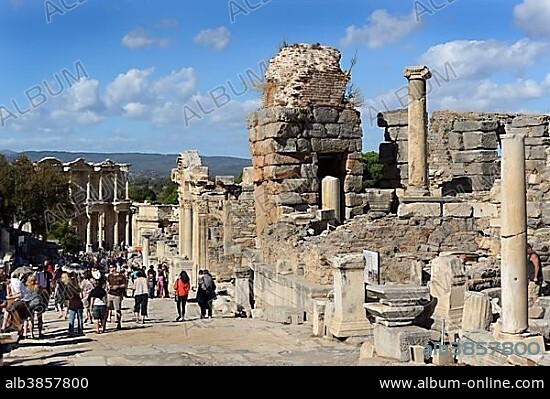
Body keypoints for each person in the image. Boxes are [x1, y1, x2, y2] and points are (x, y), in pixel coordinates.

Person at [106, 265, 127, 330]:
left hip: (117, 294)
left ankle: (119, 323)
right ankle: (105, 324)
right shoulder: (109, 276)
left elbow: (124, 285)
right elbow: (107, 283)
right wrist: (108, 287)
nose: (111, 269)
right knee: (107, 308)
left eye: (112, 267)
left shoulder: (121, 276)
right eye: (110, 267)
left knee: (117, 309)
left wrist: (117, 286)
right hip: (110, 294)